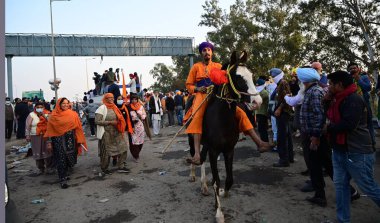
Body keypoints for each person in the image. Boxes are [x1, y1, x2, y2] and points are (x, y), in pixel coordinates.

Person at [185, 41, 269, 165]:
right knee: (197, 116)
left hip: (217, 95)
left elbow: (229, 75)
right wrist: (197, 89)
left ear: (212, 52)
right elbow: (188, 84)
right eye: (204, 50)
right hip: (201, 95)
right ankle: (197, 154)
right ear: (201, 53)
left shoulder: (218, 66)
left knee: (240, 112)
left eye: (208, 50)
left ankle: (259, 142)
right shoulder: (196, 67)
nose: (206, 52)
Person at [326, 70, 380, 222]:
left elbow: (348, 125)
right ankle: (343, 220)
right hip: (340, 150)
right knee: (341, 187)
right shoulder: (336, 99)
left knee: (368, 186)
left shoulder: (353, 99)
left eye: (331, 84)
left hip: (357, 152)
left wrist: (327, 128)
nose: (329, 86)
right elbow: (329, 116)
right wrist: (326, 101)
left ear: (340, 85)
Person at [44, 98, 88, 189]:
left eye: (67, 103)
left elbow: (78, 127)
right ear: (59, 104)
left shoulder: (73, 114)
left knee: (70, 157)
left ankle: (66, 172)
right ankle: (62, 179)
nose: (65, 105)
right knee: (61, 159)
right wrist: (49, 142)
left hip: (70, 139)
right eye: (63, 103)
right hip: (58, 140)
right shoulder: (53, 115)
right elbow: (49, 129)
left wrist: (79, 139)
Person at [95, 93, 129, 175]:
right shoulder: (101, 108)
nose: (111, 99)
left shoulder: (115, 107)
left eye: (112, 98)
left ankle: (121, 166)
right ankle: (104, 168)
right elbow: (97, 121)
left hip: (117, 132)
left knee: (123, 147)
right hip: (106, 133)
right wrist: (110, 122)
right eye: (109, 98)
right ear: (105, 99)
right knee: (106, 152)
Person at [347, 62, 375, 150]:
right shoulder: (348, 80)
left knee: (368, 124)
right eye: (350, 69)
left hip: (365, 104)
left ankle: (372, 144)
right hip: (353, 106)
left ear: (358, 69)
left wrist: (359, 80)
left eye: (354, 68)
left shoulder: (364, 77)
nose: (352, 70)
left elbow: (368, 88)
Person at [270, 68, 294, 167]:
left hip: (283, 113)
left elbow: (287, 96)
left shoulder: (283, 83)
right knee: (286, 135)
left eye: (273, 76)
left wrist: (279, 108)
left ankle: (284, 160)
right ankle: (289, 157)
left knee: (282, 136)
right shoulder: (279, 84)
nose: (272, 78)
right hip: (283, 113)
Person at [26, 102, 53, 175]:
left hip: (46, 136)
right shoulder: (31, 114)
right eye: (38, 107)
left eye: (41, 107)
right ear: (35, 107)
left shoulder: (48, 113)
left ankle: (49, 168)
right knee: (37, 152)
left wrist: (44, 115)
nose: (39, 108)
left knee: (48, 151)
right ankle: (41, 168)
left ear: (44, 107)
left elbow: (51, 123)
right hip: (35, 136)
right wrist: (27, 135)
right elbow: (28, 126)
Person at [128, 94, 147, 161]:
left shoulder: (141, 107)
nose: (134, 101)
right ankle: (136, 155)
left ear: (137, 100)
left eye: (135, 99)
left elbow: (144, 115)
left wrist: (141, 116)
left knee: (141, 141)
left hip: (140, 126)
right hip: (132, 127)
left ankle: (137, 152)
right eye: (132, 99)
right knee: (134, 142)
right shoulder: (128, 107)